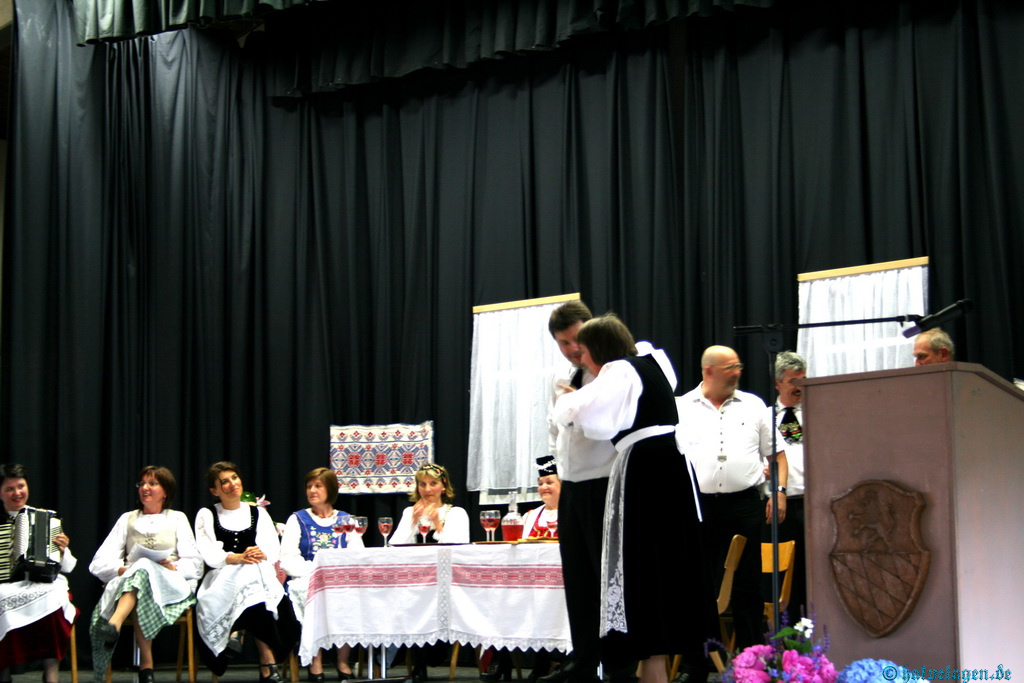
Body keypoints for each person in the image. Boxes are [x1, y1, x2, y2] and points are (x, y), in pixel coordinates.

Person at [553, 314, 715, 683]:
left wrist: (569, 400)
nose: (583, 359)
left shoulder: (620, 370)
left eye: (585, 351)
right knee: (655, 562)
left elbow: (594, 421)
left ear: (598, 351)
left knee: (640, 563)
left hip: (647, 470)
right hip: (668, 466)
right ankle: (653, 666)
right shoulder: (651, 362)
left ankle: (648, 660)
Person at [539, 302, 634, 683]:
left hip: (607, 483)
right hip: (573, 487)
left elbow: (609, 427)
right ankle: (582, 659)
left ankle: (619, 665)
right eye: (563, 343)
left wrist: (577, 406)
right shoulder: (561, 376)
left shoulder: (615, 372)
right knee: (577, 577)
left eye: (577, 339)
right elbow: (555, 430)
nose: (573, 349)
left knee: (609, 578)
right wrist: (559, 474)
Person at [676, 346, 788, 653]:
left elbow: (777, 456)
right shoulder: (682, 407)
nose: (738, 373)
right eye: (730, 368)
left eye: (739, 366)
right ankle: (699, 660)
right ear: (709, 371)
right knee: (698, 582)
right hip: (698, 507)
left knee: (747, 583)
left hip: (744, 505)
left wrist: (779, 492)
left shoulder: (754, 405)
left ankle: (752, 658)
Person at [89, 465, 203, 683]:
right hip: (134, 582)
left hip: (169, 583)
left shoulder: (177, 518)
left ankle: (114, 623)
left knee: (143, 570)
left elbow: (195, 564)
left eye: (152, 483)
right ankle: (146, 667)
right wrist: (121, 569)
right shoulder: (127, 519)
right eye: (141, 484)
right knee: (141, 573)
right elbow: (98, 562)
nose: (145, 488)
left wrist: (173, 567)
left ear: (165, 491)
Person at [194, 462, 300, 682]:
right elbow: (208, 553)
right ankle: (267, 663)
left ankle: (238, 633)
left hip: (256, 574)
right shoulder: (207, 515)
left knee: (252, 577)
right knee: (250, 581)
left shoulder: (257, 513)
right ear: (214, 490)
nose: (232, 484)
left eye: (234, 477)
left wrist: (258, 552)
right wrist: (235, 557)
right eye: (224, 481)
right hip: (222, 579)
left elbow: (272, 550)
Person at [279, 467, 363, 682]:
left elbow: (357, 554)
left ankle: (342, 660)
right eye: (309, 486)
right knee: (311, 596)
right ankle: (315, 660)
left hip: (338, 579)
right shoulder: (297, 519)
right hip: (307, 578)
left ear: (330, 489)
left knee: (350, 596)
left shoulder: (346, 520)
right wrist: (317, 571)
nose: (312, 491)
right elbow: (287, 559)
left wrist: (336, 572)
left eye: (318, 486)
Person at [0, 464, 77, 683]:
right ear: (0, 493)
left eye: (21, 486)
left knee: (55, 597)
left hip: (40, 582)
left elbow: (68, 567)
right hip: (5, 584)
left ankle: (51, 673)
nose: (17, 493)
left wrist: (62, 549)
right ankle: (3, 671)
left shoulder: (43, 519)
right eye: (9, 489)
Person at [762, 351, 807, 626]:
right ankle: (781, 631)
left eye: (803, 379)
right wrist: (761, 469)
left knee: (807, 571)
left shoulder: (818, 411)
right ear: (778, 383)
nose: (799, 385)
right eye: (793, 380)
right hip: (778, 504)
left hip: (809, 503)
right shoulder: (765, 417)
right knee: (780, 571)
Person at [387, 463, 469, 545]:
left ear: (443, 486)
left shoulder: (456, 513)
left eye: (433, 484)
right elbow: (393, 547)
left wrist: (438, 524)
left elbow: (459, 547)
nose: (427, 489)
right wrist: (413, 522)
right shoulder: (410, 512)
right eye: (423, 484)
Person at [521, 455, 559, 540]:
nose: (543, 487)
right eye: (540, 484)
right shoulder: (529, 517)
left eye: (549, 482)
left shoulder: (572, 515)